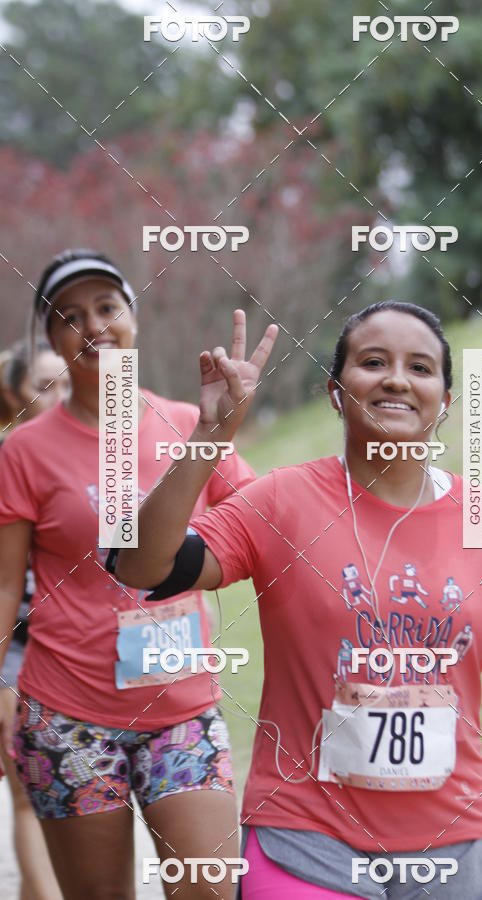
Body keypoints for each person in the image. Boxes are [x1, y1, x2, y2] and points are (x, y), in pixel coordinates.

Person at [116, 301, 482, 899]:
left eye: (420, 368)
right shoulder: (282, 501)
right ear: (336, 390)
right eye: (374, 362)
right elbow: (141, 564)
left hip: (454, 848)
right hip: (305, 842)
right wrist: (210, 438)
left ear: (444, 401)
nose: (397, 378)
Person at [0, 249, 257, 900]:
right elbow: (5, 588)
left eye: (107, 307)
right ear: (52, 340)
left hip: (182, 712)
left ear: (133, 317)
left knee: (208, 890)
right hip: (66, 715)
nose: (94, 326)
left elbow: (261, 529)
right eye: (70, 316)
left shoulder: (186, 422)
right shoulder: (23, 452)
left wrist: (223, 425)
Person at [0, 337, 68, 900]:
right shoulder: (8, 462)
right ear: (13, 395)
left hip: (87, 656)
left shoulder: (108, 459)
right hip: (17, 652)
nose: (61, 397)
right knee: (27, 794)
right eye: (45, 386)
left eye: (67, 382)